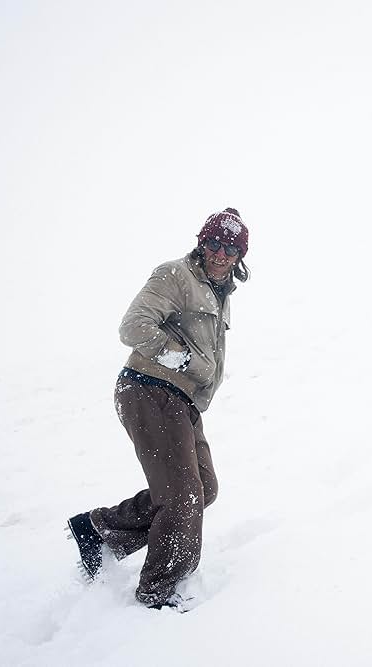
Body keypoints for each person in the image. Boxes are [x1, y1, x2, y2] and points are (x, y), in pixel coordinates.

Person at [67, 207, 250, 610]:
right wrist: (180, 359)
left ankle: (100, 529)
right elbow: (133, 326)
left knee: (204, 488)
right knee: (183, 495)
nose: (220, 254)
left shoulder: (219, 294)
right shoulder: (176, 275)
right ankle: (159, 591)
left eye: (230, 248)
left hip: (180, 401)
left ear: (240, 256)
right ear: (201, 243)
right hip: (149, 388)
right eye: (213, 243)